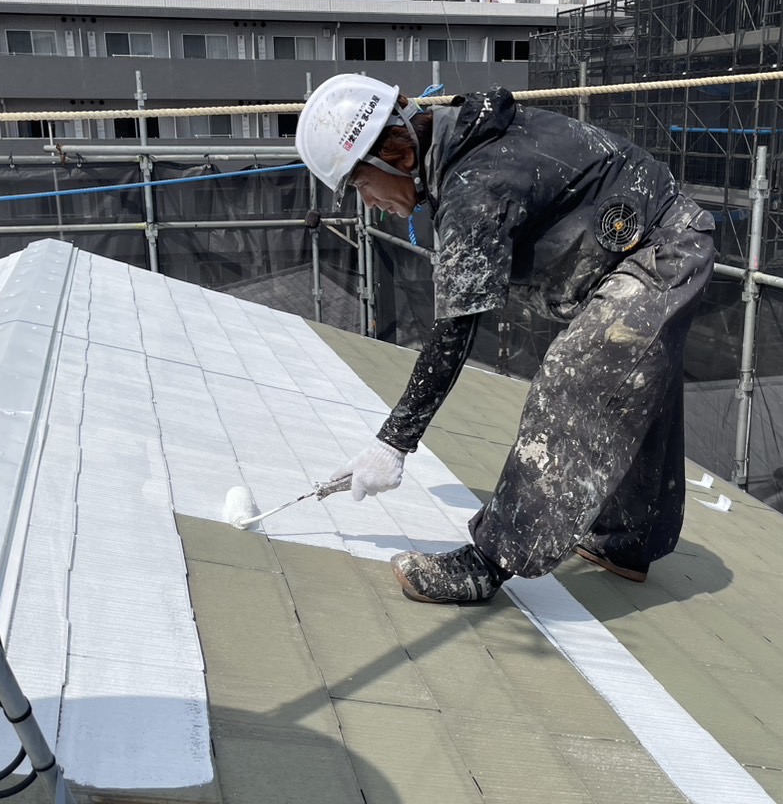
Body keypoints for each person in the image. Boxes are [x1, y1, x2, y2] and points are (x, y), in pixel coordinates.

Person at [295, 74, 716, 604]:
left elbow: (455, 329)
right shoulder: (463, 144)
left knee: (573, 384)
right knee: (630, 386)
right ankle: (627, 541)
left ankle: (490, 561)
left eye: (360, 185)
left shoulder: (476, 182)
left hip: (662, 249)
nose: (370, 203)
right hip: (656, 239)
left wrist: (394, 441)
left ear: (394, 155)